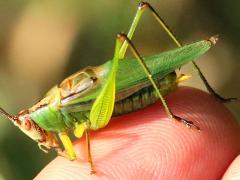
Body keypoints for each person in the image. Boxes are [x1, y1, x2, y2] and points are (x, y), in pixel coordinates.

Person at [35, 87, 240, 179]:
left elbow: (84, 132)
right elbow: (71, 155)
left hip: (142, 90)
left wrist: (90, 164)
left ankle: (173, 114)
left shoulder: (61, 105)